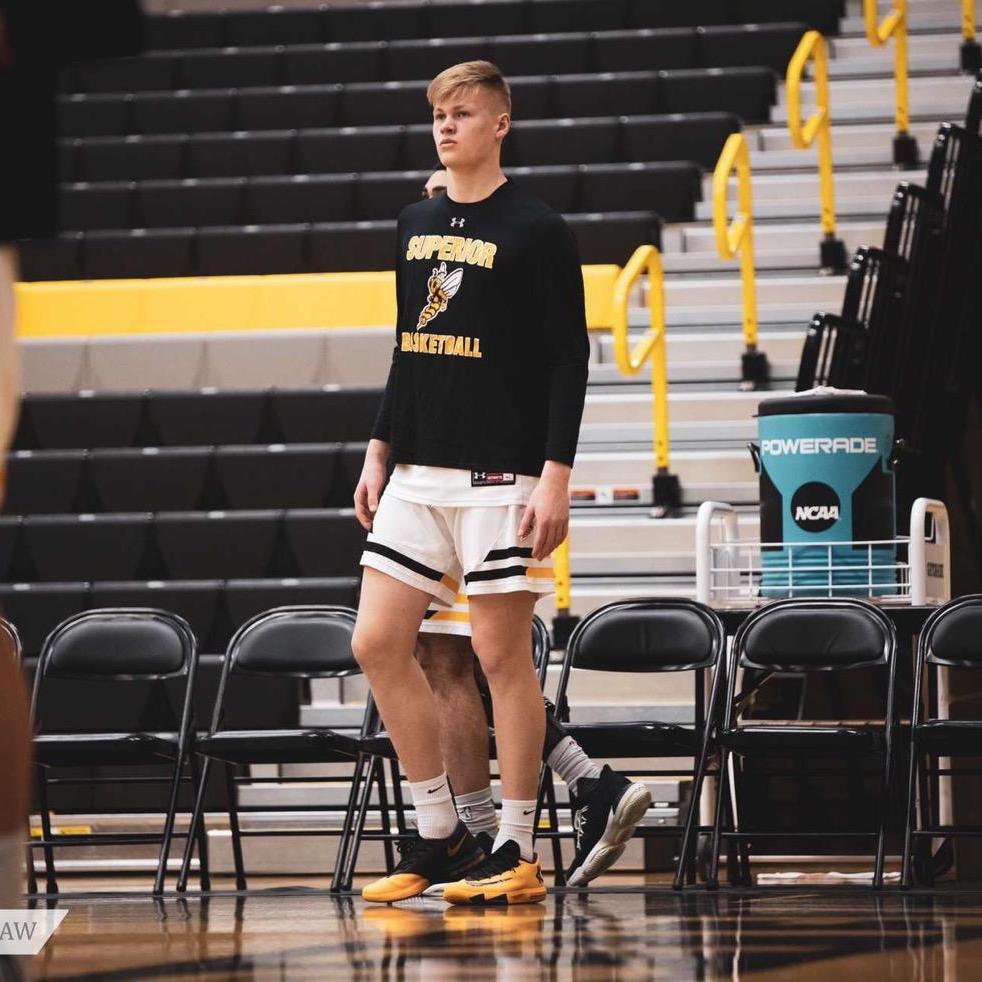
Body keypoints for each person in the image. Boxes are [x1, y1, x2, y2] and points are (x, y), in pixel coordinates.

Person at [352, 60, 589, 906]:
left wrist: (555, 475)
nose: (446, 126)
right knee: (377, 643)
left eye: (462, 113)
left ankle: (518, 847)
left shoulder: (538, 228)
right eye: (438, 115)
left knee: (498, 657)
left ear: (500, 124)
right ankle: (441, 834)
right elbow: (407, 347)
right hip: (417, 470)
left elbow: (569, 357)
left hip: (502, 474)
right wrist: (378, 448)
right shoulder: (414, 221)